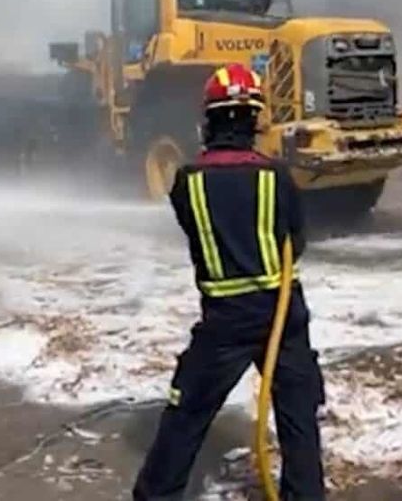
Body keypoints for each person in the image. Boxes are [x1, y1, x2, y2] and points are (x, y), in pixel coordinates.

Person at [132, 62, 326, 501]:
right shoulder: (277, 177)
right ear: (255, 118)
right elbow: (296, 241)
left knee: (187, 413)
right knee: (298, 415)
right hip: (282, 316)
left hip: (224, 322)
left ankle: (157, 495)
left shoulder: (187, 183)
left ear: (209, 119)